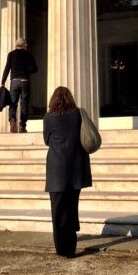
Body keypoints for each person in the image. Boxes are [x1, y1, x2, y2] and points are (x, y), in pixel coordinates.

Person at [43, 86, 92, 258]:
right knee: (71, 209)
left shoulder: (49, 118)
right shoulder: (78, 114)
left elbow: (46, 140)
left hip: (57, 169)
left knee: (57, 211)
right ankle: (70, 248)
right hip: (76, 168)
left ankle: (61, 249)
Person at [0, 37, 38, 133]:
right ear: (24, 45)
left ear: (16, 45)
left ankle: (12, 121)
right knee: (24, 103)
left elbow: (7, 68)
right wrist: (27, 70)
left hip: (14, 81)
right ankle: (22, 125)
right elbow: (35, 69)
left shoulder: (11, 54)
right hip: (25, 81)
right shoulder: (28, 55)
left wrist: (2, 82)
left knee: (13, 103)